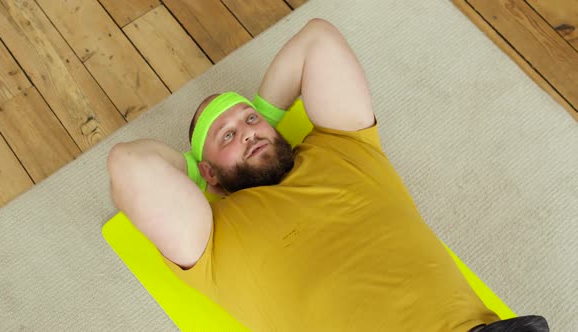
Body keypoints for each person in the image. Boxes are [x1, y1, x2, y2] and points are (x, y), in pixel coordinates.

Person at [107, 18, 548, 332]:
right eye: (226, 136)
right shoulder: (212, 240)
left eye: (250, 120)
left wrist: (263, 115)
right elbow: (128, 166)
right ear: (209, 175)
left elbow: (317, 39)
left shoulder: (342, 147)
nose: (247, 133)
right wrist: (197, 174)